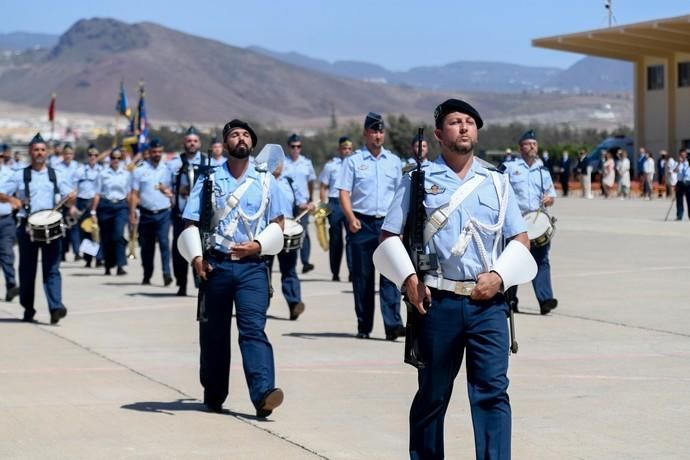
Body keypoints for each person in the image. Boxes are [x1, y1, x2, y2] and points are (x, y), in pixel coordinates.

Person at [374, 98, 533, 460]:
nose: (464, 127)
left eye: (470, 122)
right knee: (432, 394)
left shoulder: (496, 181)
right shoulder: (418, 179)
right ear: (438, 134)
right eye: (455, 122)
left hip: (488, 304)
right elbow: (388, 236)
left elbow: (519, 239)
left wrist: (499, 276)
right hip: (437, 302)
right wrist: (409, 280)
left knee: (492, 394)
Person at [177, 119, 287, 417]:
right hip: (216, 266)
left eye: (246, 135)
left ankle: (263, 393)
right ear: (226, 144)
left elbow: (278, 223)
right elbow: (191, 221)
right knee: (214, 334)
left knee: (253, 330)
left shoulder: (266, 181)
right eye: (234, 135)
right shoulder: (209, 179)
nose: (241, 138)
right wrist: (197, 258)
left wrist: (259, 246)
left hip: (253, 267)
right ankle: (214, 393)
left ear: (252, 143)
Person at [335, 112, 405, 340]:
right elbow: (344, 191)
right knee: (362, 277)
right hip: (361, 223)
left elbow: (400, 195)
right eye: (374, 131)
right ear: (365, 134)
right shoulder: (353, 161)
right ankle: (364, 325)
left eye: (381, 131)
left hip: (387, 225)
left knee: (390, 276)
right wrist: (350, 216)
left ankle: (393, 325)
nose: (378, 136)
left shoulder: (394, 162)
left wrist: (400, 225)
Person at [0, 133, 75, 324]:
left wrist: (71, 198)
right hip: (27, 229)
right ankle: (28, 307)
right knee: (27, 270)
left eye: (42, 150)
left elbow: (69, 198)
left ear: (47, 152)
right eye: (36, 150)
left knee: (52, 269)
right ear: (30, 152)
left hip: (52, 227)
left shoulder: (56, 175)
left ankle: (55, 307)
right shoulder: (19, 175)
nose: (39, 153)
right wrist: (11, 199)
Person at [504, 129, 558, 315]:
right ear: (521, 147)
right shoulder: (510, 168)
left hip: (537, 222)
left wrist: (549, 199)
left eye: (534, 143)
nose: (532, 146)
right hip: (516, 222)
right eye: (528, 143)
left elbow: (551, 193)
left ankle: (545, 300)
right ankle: (510, 300)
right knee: (513, 262)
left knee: (541, 260)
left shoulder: (542, 170)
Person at [264, 146, 307, 320]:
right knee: (264, 269)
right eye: (275, 161)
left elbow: (299, 202)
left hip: (288, 229)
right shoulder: (262, 182)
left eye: (281, 162)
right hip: (268, 231)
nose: (279, 165)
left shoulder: (289, 181)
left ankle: (294, 303)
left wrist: (306, 205)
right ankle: (260, 304)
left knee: (289, 269)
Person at [168, 126, 206, 296]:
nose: (192, 144)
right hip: (180, 215)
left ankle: (200, 281)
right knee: (180, 250)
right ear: (184, 143)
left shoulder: (208, 162)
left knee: (200, 250)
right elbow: (164, 183)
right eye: (189, 141)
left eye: (195, 141)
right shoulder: (175, 163)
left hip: (202, 217)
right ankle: (181, 283)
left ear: (200, 143)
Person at [130, 138, 173, 286]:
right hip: (146, 213)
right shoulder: (140, 170)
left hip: (163, 213)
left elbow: (171, 190)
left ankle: (167, 273)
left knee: (164, 243)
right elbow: (134, 194)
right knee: (146, 247)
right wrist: (132, 214)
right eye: (154, 152)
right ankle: (147, 274)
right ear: (149, 152)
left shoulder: (167, 169)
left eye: (159, 152)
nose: (157, 154)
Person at [318, 136, 353, 282]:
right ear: (339, 149)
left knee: (352, 239)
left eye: (349, 149)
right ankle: (335, 272)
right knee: (336, 240)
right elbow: (323, 187)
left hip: (350, 203)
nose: (347, 151)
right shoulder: (330, 166)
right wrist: (323, 206)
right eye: (344, 148)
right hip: (334, 203)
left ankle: (352, 271)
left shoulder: (355, 164)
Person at [92, 149, 130, 276]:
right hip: (105, 206)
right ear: (110, 159)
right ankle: (108, 265)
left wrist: (133, 210)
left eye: (118, 158)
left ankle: (120, 265)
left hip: (120, 206)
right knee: (106, 237)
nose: (116, 160)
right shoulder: (103, 174)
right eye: (113, 157)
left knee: (118, 236)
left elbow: (129, 193)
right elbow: (97, 193)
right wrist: (93, 211)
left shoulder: (125, 174)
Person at [283, 134, 317, 273]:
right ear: (288, 147)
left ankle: (305, 262)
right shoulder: (283, 163)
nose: (296, 149)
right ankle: (290, 261)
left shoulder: (306, 163)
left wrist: (309, 199)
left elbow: (311, 182)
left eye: (299, 146)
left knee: (303, 232)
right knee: (289, 233)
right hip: (288, 205)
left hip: (303, 204)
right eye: (293, 146)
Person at [72, 144, 102, 267]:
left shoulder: (102, 171)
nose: (93, 157)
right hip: (83, 202)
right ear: (87, 156)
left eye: (95, 155)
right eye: (90, 155)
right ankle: (89, 259)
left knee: (97, 231)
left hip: (97, 202)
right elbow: (74, 190)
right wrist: (73, 206)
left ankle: (99, 258)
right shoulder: (80, 171)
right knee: (85, 231)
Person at [55, 143, 81, 261]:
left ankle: (77, 252)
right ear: (63, 155)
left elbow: (79, 186)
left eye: (70, 154)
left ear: (73, 155)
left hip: (74, 201)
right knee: (62, 228)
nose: (68, 156)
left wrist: (73, 204)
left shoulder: (78, 167)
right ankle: (62, 254)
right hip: (61, 201)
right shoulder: (57, 167)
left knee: (75, 228)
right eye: (66, 154)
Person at [0, 152, 19, 302]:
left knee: (7, 253)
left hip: (5, 220)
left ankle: (11, 285)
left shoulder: (12, 174)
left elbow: (19, 194)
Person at [675, 150, 690, 220]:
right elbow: (675, 170)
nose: (682, 156)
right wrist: (679, 163)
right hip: (680, 182)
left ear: (686, 155)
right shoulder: (678, 163)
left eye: (684, 155)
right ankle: (679, 215)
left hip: (688, 182)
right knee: (679, 200)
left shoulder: (688, 163)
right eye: (681, 155)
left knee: (689, 200)